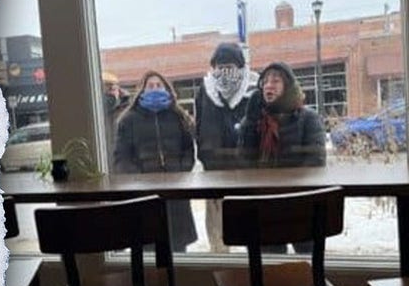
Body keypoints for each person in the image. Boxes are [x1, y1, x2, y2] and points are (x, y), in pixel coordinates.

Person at [238, 62, 326, 254]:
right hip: (265, 205)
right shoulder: (256, 119)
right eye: (265, 81)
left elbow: (316, 161)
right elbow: (244, 160)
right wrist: (249, 121)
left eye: (276, 80)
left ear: (288, 86)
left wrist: (287, 189)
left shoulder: (307, 117)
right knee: (271, 264)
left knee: (307, 259)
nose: (269, 85)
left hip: (300, 205)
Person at [113, 71, 198, 251]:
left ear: (167, 88)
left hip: (176, 191)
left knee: (178, 248)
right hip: (144, 193)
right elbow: (122, 157)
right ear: (141, 91)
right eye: (150, 86)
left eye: (158, 85)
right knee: (148, 247)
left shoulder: (178, 116)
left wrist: (181, 171)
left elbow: (188, 150)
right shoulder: (128, 120)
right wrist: (138, 180)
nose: (155, 89)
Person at [194, 42, 260, 252]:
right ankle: (220, 268)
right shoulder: (204, 90)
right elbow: (199, 125)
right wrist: (205, 153)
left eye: (230, 64)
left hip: (247, 173)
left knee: (251, 229)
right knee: (217, 234)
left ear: (240, 66)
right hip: (214, 172)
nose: (224, 70)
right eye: (219, 65)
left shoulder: (253, 89)